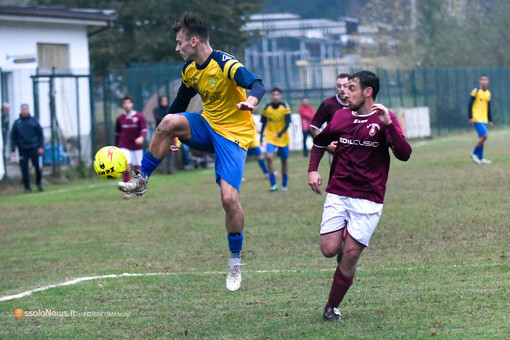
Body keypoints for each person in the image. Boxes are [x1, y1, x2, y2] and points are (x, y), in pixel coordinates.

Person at [118, 12, 266, 292]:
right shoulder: (189, 70)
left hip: (234, 137)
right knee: (169, 120)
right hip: (207, 125)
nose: (177, 48)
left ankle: (235, 260)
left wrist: (251, 101)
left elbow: (257, 83)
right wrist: (167, 132)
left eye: (179, 42)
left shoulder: (225, 64)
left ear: (193, 41)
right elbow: (180, 102)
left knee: (229, 199)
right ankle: (142, 180)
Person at [307, 71, 412, 323]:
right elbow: (320, 142)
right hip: (339, 191)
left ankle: (331, 307)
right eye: (344, 88)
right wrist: (312, 169)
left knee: (351, 255)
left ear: (368, 92)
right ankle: (345, 237)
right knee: (329, 249)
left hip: (369, 197)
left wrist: (389, 126)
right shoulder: (341, 116)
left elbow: (404, 154)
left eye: (351, 88)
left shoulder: (384, 119)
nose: (345, 92)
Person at [115, 95, 147, 199]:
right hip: (124, 146)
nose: (126, 105)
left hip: (136, 147)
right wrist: (116, 147)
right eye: (124, 103)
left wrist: (141, 137)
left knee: (137, 170)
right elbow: (117, 134)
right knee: (126, 168)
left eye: (128, 103)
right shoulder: (120, 118)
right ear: (122, 105)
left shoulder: (139, 116)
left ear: (132, 104)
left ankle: (139, 188)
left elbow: (144, 129)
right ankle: (127, 191)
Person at [260, 87, 291, 192]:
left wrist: (280, 133)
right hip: (270, 137)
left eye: (277, 94)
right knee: (269, 157)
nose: (275, 96)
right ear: (271, 96)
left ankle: (284, 184)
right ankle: (273, 184)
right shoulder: (266, 107)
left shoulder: (285, 107)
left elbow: (288, 123)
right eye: (273, 95)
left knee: (284, 161)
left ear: (280, 96)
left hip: (283, 138)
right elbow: (263, 123)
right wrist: (260, 138)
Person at [10, 104, 44, 193]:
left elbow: (40, 134)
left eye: (26, 110)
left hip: (34, 148)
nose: (24, 112)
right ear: (21, 111)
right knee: (24, 168)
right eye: (23, 110)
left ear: (28, 111)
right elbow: (13, 137)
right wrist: (13, 149)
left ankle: (39, 183)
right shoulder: (17, 123)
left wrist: (40, 146)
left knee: (38, 166)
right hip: (22, 149)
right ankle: (27, 187)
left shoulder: (34, 121)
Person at [469, 75, 493, 164]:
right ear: (479, 81)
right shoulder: (475, 91)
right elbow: (469, 104)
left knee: (481, 137)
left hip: (484, 118)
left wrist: (490, 120)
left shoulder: (488, 93)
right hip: (477, 118)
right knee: (484, 136)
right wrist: (470, 117)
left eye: (485, 80)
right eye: (482, 79)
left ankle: (481, 158)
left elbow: (488, 107)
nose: (483, 81)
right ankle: (474, 153)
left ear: (488, 81)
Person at [153, 95, 175, 174]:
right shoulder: (156, 110)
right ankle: (161, 169)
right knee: (160, 151)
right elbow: (159, 119)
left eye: (165, 100)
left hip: (170, 133)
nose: (164, 102)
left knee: (171, 151)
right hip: (160, 133)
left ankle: (170, 169)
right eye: (163, 100)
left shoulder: (170, 109)